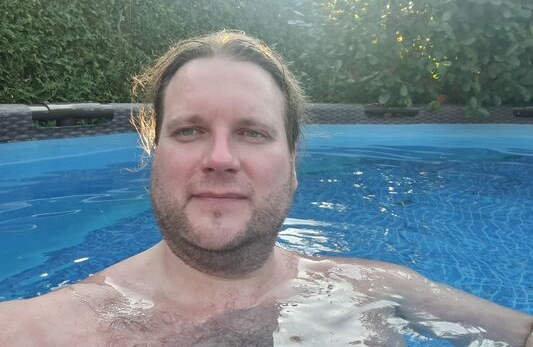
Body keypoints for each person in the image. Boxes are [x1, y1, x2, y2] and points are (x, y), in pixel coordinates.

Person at [0, 30, 532, 346]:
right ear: (154, 156)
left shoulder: (381, 290)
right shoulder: (42, 330)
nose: (220, 158)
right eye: (189, 131)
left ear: (293, 166)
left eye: (253, 133)